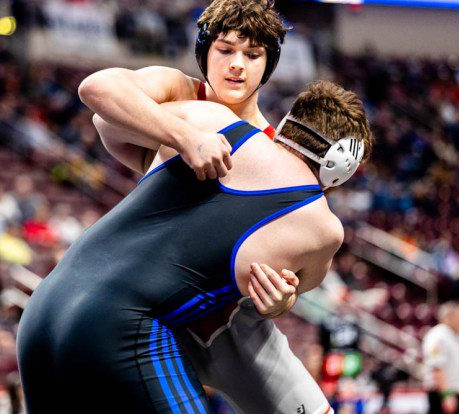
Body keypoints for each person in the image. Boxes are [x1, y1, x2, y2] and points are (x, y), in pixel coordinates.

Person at [17, 79, 373, 412]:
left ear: (286, 125)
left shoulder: (210, 118)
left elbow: (104, 116)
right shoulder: (323, 227)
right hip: (121, 327)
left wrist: (181, 130)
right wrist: (283, 302)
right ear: (342, 167)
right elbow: (289, 292)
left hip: (41, 310)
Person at [80, 0, 342, 412]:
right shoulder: (178, 91)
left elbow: (301, 262)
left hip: (228, 323)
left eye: (253, 55)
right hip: (157, 307)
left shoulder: (275, 153)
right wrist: (185, 136)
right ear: (205, 53)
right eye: (225, 50)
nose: (237, 65)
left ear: (267, 65)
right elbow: (98, 95)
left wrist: (283, 300)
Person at [422, 302, 459, 414]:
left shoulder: (454, 337)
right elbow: (437, 368)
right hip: (443, 394)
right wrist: (446, 395)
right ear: (449, 316)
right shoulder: (438, 336)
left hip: (455, 394)